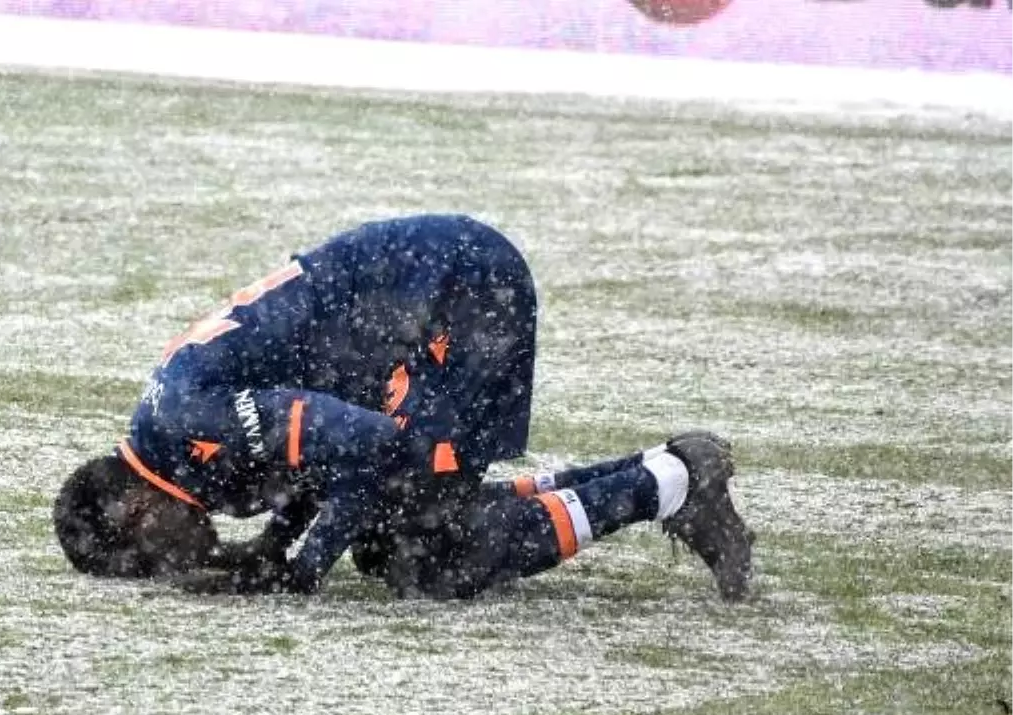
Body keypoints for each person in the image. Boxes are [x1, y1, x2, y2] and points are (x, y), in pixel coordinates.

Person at [52, 214, 753, 601]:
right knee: (401, 530)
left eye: (149, 562)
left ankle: (674, 482)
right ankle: (661, 470)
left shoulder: (185, 430)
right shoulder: (171, 436)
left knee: (428, 551)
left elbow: (364, 446)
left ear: (139, 514)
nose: (173, 569)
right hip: (427, 294)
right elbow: (317, 459)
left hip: (454, 289)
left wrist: (301, 565)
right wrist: (277, 548)